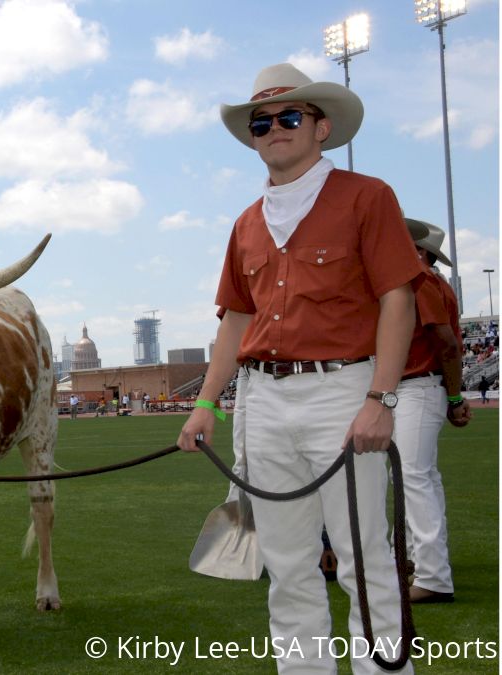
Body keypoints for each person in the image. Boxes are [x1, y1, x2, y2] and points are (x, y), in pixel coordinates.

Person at [177, 63, 422, 673]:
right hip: (262, 402)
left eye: (290, 117)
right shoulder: (245, 223)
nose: (274, 129)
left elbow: (399, 298)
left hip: (343, 392)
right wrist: (205, 403)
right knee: (286, 569)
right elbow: (234, 321)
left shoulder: (368, 197)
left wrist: (381, 398)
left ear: (322, 127)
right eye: (262, 122)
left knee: (363, 559)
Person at [396, 218, 471, 604]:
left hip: (418, 386)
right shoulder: (427, 280)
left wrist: (456, 399)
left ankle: (432, 576)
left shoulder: (421, 281)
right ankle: (421, 564)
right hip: (418, 387)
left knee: (414, 478)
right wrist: (454, 398)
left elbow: (447, 345)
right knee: (421, 478)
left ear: (419, 251)